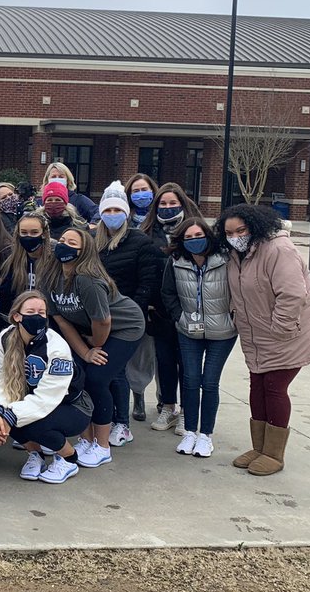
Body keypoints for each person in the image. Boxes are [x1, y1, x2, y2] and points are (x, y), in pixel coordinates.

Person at [218, 204, 310, 476]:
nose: (235, 236)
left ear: (255, 227)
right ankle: (259, 448)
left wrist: (279, 329)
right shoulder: (237, 255)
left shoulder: (278, 250)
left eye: (241, 230)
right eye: (229, 233)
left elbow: (292, 294)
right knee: (257, 385)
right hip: (258, 336)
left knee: (274, 386)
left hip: (292, 334)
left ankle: (274, 454)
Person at [47, 227, 146, 469]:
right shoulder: (50, 277)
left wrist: (95, 347)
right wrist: (84, 351)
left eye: (72, 243)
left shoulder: (87, 279)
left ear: (84, 252)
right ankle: (86, 438)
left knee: (97, 379)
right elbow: (61, 320)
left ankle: (102, 446)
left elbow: (103, 321)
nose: (64, 245)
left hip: (124, 328)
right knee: (80, 378)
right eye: (62, 240)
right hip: (90, 332)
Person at [0, 290, 91, 483]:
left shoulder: (57, 346)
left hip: (73, 406)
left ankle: (69, 459)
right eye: (31, 311)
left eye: (41, 312)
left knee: (29, 421)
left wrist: (9, 415)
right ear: (17, 316)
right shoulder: (5, 338)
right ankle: (36, 455)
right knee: (4, 414)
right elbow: (3, 381)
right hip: (33, 400)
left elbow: (47, 398)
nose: (37, 316)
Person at [161, 217, 237, 458]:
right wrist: (179, 318)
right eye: (189, 237)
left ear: (208, 235)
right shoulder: (176, 262)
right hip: (189, 330)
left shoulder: (226, 259)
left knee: (210, 383)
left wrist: (234, 317)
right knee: (191, 380)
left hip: (222, 332)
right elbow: (168, 293)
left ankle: (206, 435)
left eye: (199, 236)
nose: (195, 241)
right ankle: (190, 432)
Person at [93, 180, 162, 445]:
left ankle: (122, 424)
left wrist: (133, 311)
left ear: (126, 212)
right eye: (107, 210)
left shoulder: (140, 242)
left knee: (117, 371)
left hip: (126, 320)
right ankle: (105, 418)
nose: (112, 215)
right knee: (101, 371)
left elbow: (148, 283)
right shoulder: (92, 241)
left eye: (117, 210)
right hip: (98, 317)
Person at [138, 181, 203, 434]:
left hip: (190, 308)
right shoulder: (147, 233)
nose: (167, 208)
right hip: (160, 309)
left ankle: (188, 412)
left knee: (188, 362)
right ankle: (168, 407)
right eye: (163, 204)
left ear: (183, 204)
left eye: (172, 203)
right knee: (164, 361)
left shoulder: (196, 231)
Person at [0, 212, 55, 315]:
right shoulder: (13, 261)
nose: (29, 237)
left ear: (44, 234)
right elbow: (6, 297)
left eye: (34, 232)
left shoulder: (55, 260)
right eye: (24, 232)